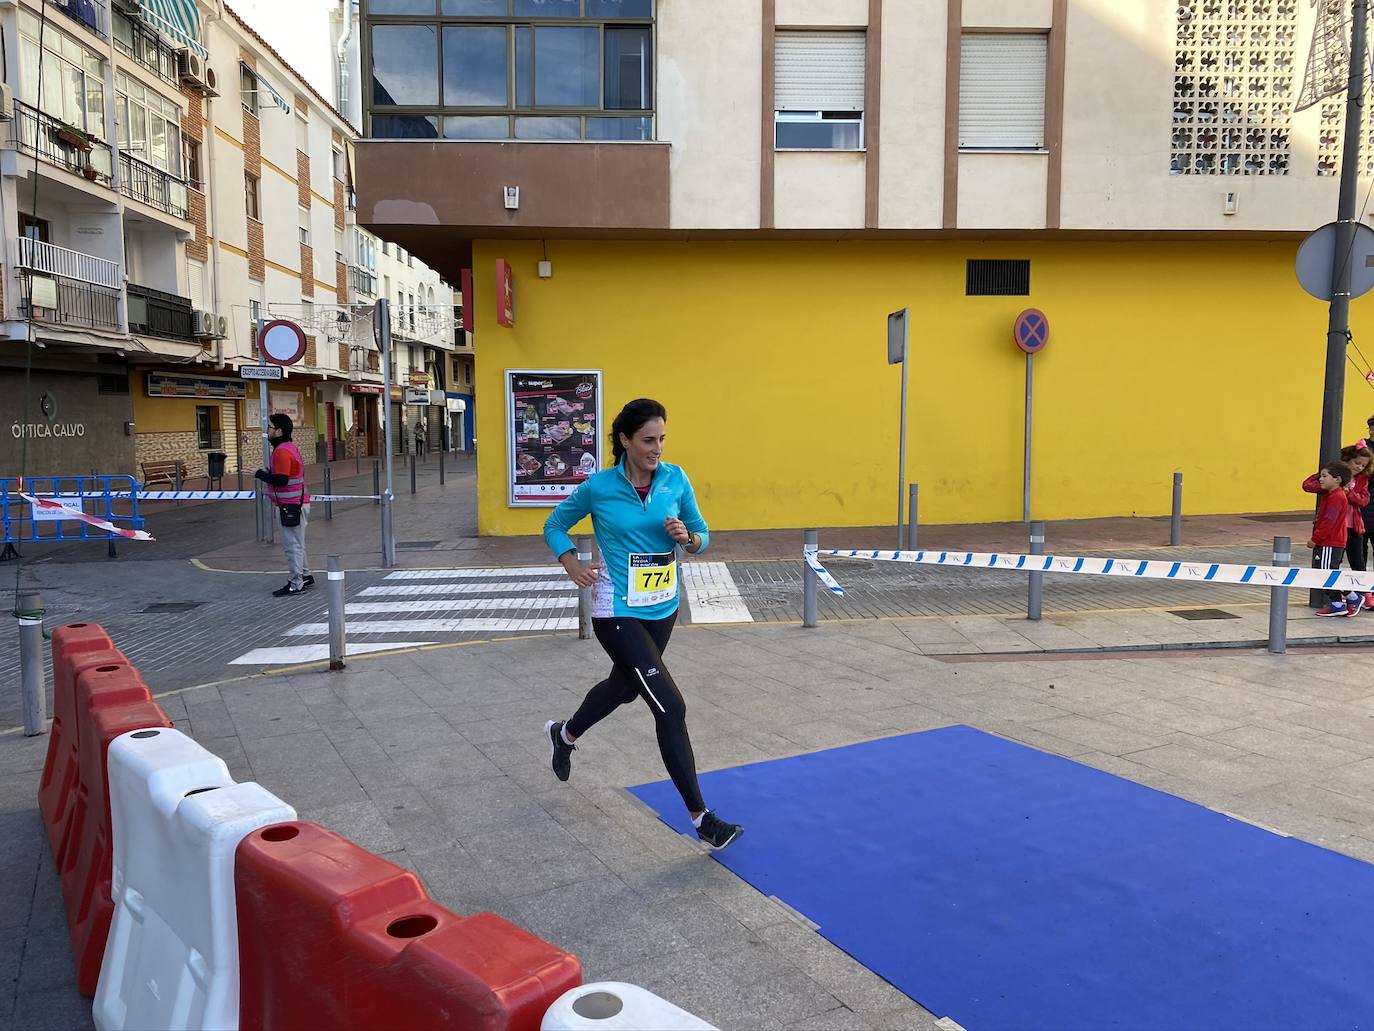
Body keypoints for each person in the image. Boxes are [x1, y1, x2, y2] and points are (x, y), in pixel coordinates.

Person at [540, 398, 744, 851]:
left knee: (626, 687)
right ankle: (702, 818)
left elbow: (703, 535)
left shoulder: (675, 478)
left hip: (662, 606)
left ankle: (564, 734)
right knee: (670, 706)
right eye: (649, 440)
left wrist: (688, 538)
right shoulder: (599, 487)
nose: (657, 448)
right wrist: (571, 562)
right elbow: (554, 525)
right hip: (617, 609)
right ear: (625, 440)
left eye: (662, 439)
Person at [254, 413, 313, 597]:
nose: (267, 431)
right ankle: (305, 575)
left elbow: (281, 480)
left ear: (279, 431)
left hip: (290, 506)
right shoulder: (289, 447)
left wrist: (260, 475)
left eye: (270, 427)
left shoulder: (281, 452)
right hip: (297, 503)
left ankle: (296, 584)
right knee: (298, 543)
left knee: (292, 546)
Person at [1306, 460, 1355, 616]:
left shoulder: (1336, 497)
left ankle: (1340, 602)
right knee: (1328, 572)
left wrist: (1315, 539)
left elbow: (1329, 521)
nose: (1320, 479)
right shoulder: (1331, 494)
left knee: (1325, 573)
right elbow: (1307, 485)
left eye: (1324, 476)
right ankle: (1350, 598)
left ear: (1337, 479)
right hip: (1331, 541)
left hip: (1329, 542)